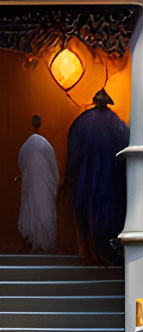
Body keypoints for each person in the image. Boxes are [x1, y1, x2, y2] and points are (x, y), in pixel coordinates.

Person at [65, 88, 127, 265]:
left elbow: (74, 151)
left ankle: (88, 250)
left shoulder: (82, 121)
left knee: (87, 212)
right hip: (108, 177)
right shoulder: (115, 122)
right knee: (105, 214)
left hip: (86, 176)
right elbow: (124, 146)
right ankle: (99, 251)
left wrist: (71, 175)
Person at [16, 116, 59, 253]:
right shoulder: (43, 145)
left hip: (36, 184)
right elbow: (53, 168)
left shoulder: (29, 145)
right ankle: (37, 243)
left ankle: (38, 243)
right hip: (39, 185)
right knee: (39, 210)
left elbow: (22, 162)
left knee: (34, 209)